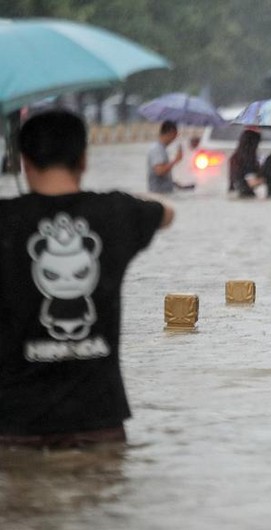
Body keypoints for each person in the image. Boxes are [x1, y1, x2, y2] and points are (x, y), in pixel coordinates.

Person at [0, 109, 174, 449]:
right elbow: (167, 212)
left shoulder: (4, 220)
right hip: (99, 423)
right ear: (83, 159)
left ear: (23, 161)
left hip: (15, 425)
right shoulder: (115, 213)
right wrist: (128, 201)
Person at [146, 120, 183, 193]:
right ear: (171, 132)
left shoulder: (162, 149)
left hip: (164, 193)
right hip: (159, 195)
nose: (175, 138)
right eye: (175, 134)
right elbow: (159, 171)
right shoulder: (157, 149)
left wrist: (173, 183)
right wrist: (176, 160)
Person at [228, 129, 262, 198]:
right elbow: (252, 183)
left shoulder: (234, 158)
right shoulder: (248, 160)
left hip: (237, 194)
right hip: (247, 195)